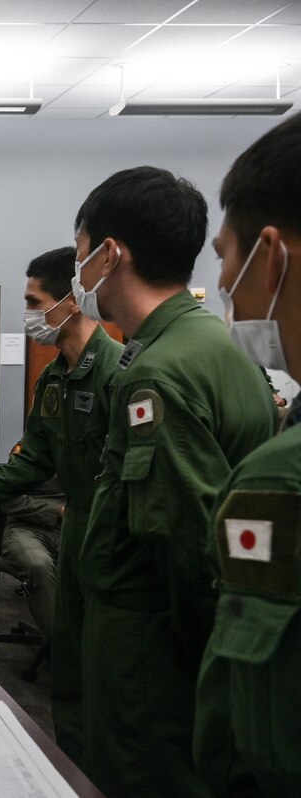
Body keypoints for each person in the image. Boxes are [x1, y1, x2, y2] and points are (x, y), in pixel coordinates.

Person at [70, 166, 276, 797]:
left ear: (110, 253)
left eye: (81, 256)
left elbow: (187, 546)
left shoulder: (157, 374)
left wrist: (202, 673)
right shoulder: (215, 345)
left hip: (151, 665)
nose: (79, 277)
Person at [0, 246, 122, 764]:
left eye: (34, 301)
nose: (29, 314)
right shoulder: (52, 379)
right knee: (71, 670)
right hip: (77, 532)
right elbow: (31, 461)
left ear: (72, 300)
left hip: (113, 538)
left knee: (112, 672)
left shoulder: (120, 373)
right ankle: (75, 769)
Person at [194, 112, 301, 796]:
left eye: (225, 255)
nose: (225, 281)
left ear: (270, 254)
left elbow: (259, 745)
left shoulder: (281, 479)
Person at [0, 478, 66, 640]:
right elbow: (11, 502)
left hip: (77, 526)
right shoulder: (29, 453)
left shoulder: (95, 455)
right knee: (39, 564)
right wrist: (58, 511)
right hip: (28, 527)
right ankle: (61, 645)